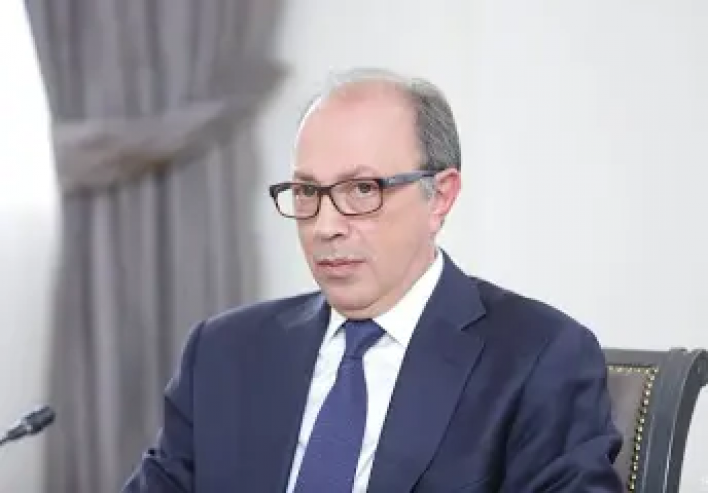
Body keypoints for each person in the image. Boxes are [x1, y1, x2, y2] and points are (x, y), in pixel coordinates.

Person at [122, 68, 623, 492]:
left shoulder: (537, 357)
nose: (325, 225)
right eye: (307, 192)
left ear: (440, 196)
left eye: (362, 189)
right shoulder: (224, 352)